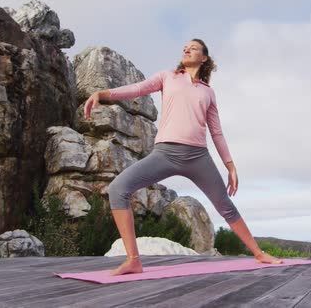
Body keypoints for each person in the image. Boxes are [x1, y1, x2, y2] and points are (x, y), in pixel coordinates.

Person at [83, 38, 283, 276]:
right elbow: (137, 89)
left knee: (225, 206)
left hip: (198, 157)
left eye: (194, 47)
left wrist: (230, 165)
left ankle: (259, 254)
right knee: (118, 189)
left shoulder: (208, 92)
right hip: (165, 153)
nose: (187, 49)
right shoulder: (168, 77)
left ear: (204, 58)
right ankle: (133, 260)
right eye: (185, 47)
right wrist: (102, 94)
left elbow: (216, 131)